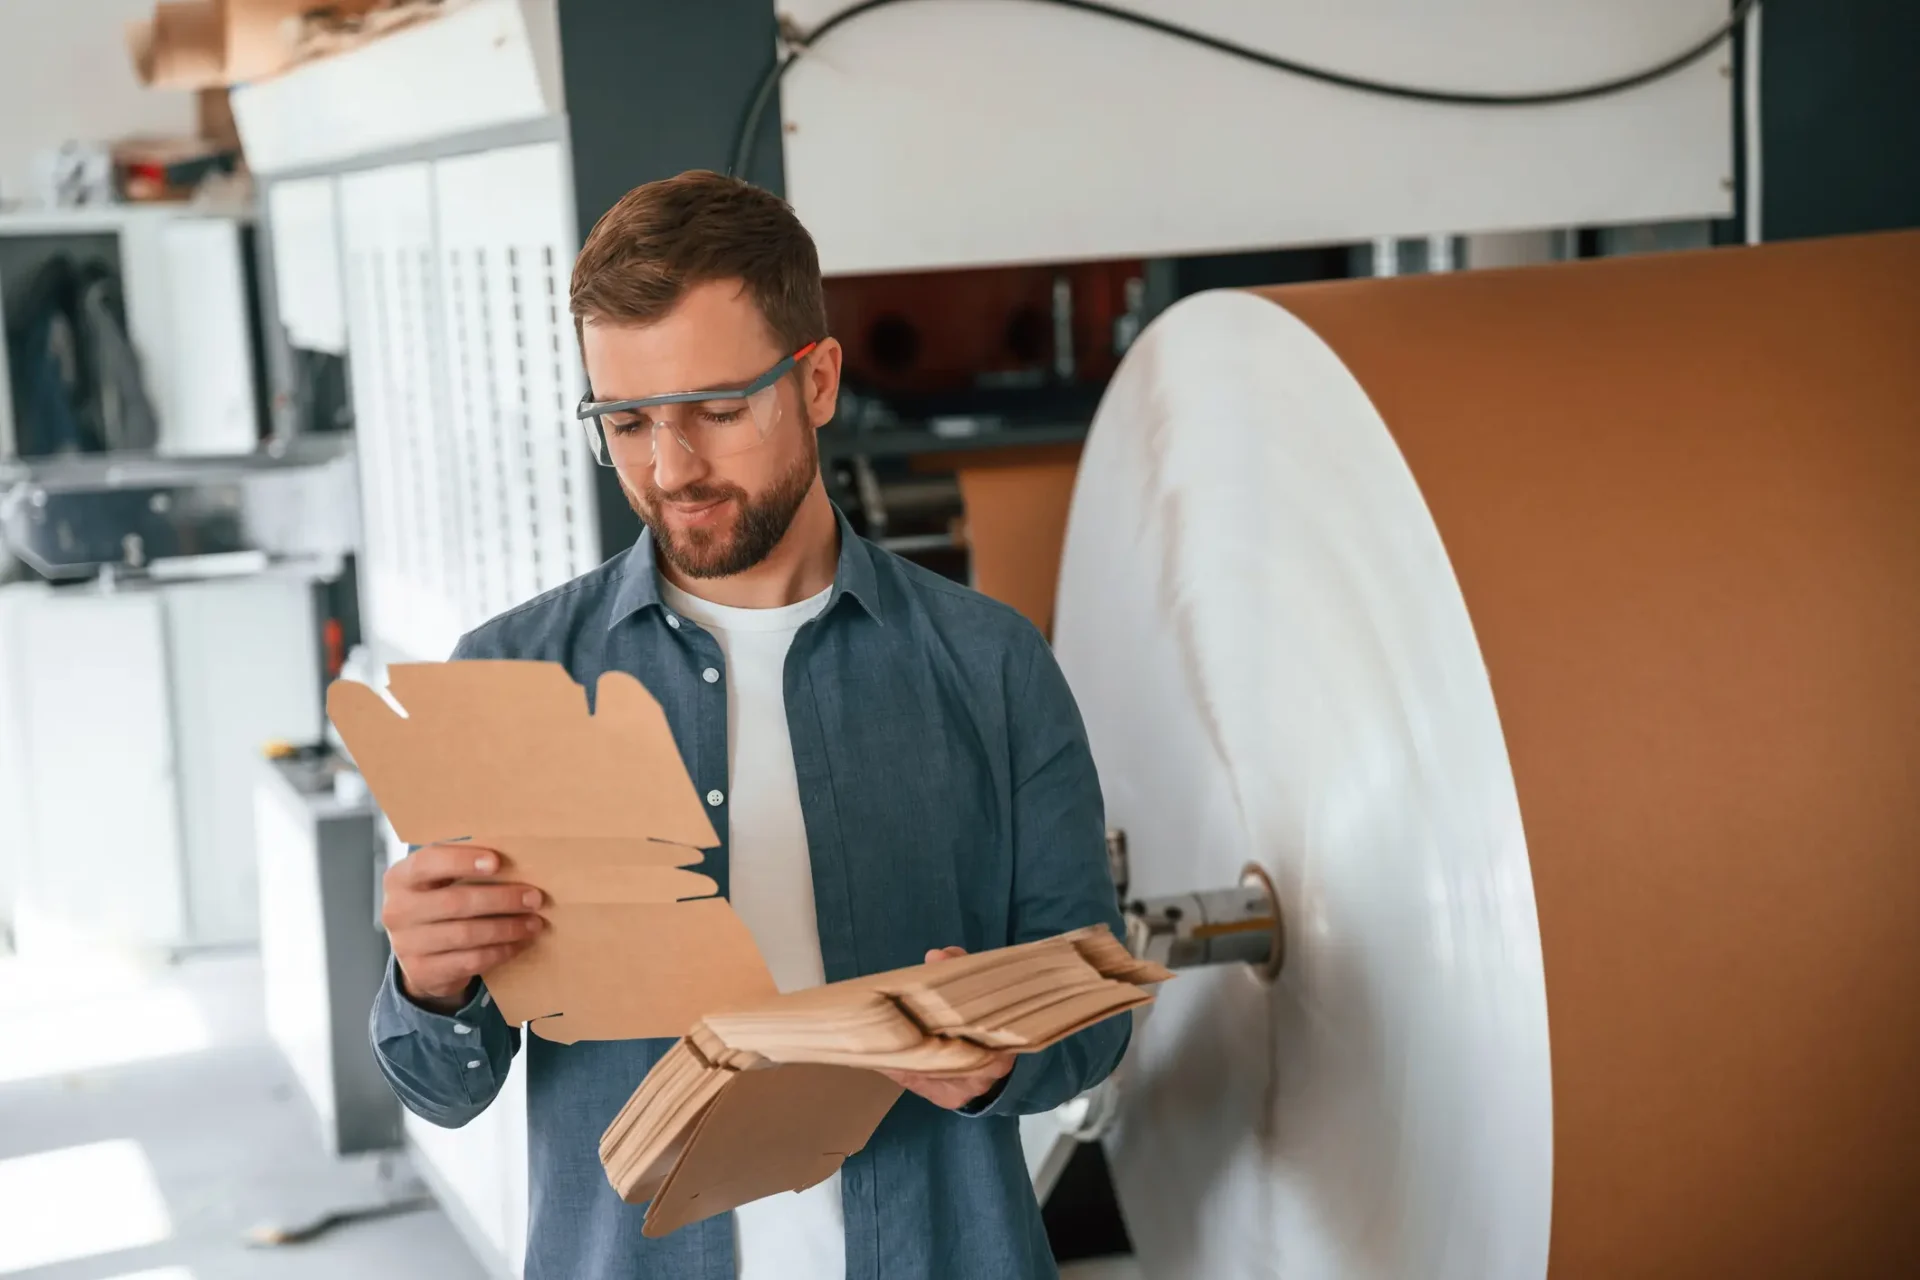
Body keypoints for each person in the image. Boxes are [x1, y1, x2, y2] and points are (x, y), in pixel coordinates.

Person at [368, 170, 1127, 1280]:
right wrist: (431, 980)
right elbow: (440, 1084)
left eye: (718, 411)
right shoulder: (515, 677)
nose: (672, 468)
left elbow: (1093, 1016)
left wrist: (1000, 1057)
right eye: (625, 421)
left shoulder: (992, 663)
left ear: (817, 380)